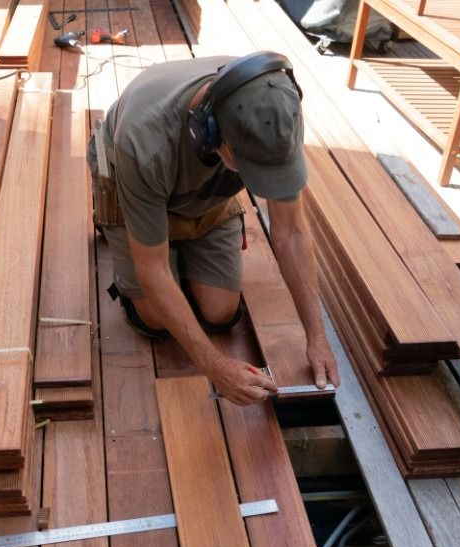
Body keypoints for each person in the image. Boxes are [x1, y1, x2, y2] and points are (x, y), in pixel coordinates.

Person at [88, 50, 340, 405]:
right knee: (156, 322)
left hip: (201, 193)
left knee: (220, 313)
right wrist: (216, 367)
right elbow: (153, 269)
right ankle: (130, 229)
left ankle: (182, 237)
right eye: (252, 171)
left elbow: (292, 232)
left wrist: (317, 337)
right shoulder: (144, 142)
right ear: (210, 135)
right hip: (132, 178)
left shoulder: (275, 114)